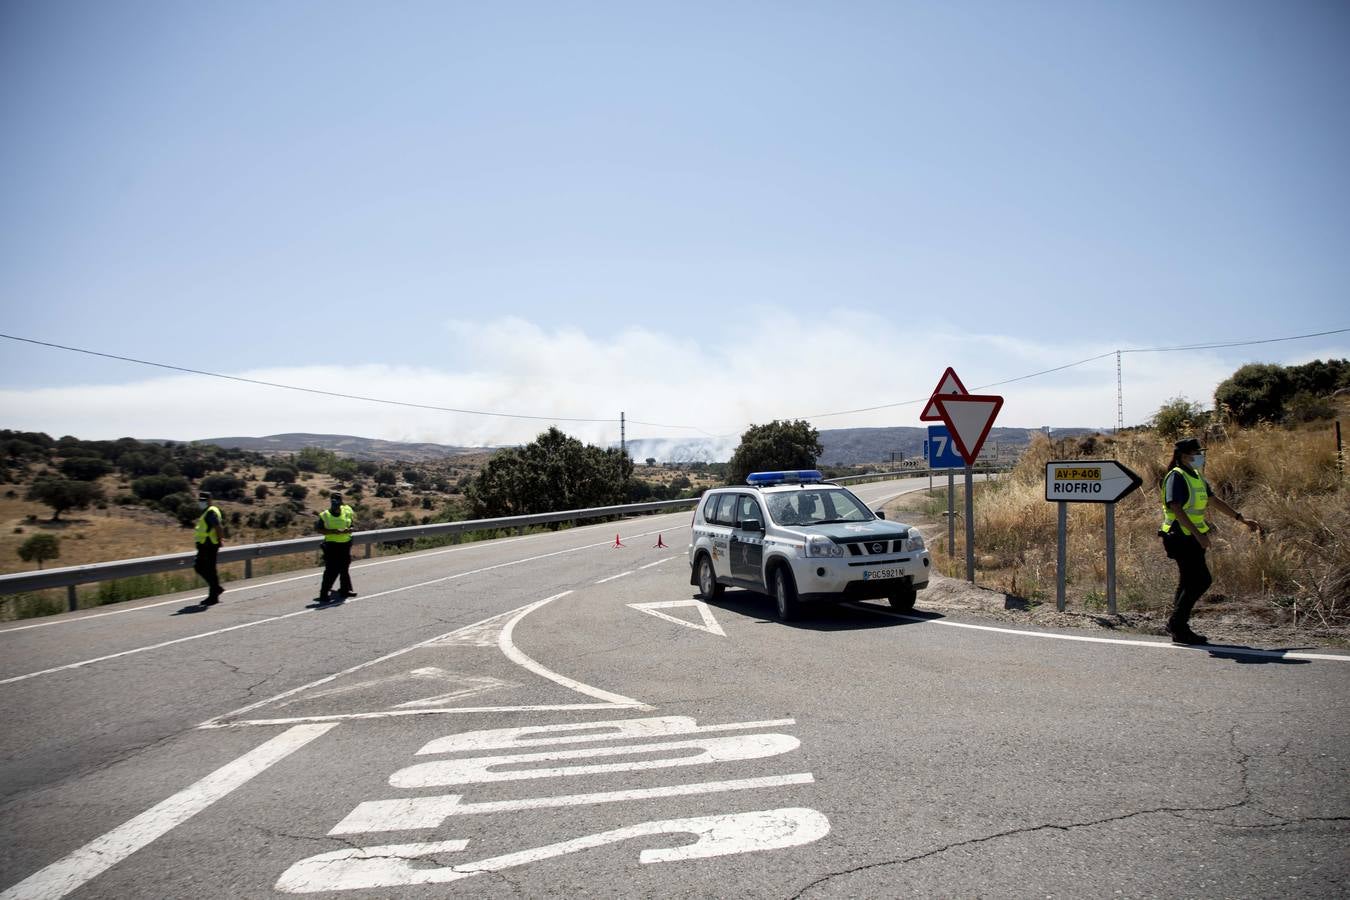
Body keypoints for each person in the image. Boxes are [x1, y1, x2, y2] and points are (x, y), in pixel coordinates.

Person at [1159, 437, 1262, 644]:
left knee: (1188, 581)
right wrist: (1199, 535)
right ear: (1183, 455)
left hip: (1189, 537)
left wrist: (1240, 518)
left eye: (1200, 452)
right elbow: (1176, 508)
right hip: (1180, 536)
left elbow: (1214, 501)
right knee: (1201, 580)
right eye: (1196, 453)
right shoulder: (1176, 476)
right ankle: (1177, 625)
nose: (1199, 456)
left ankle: (1177, 626)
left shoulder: (1195, 476)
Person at [315, 492, 357, 603]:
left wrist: (349, 530)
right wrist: (333, 531)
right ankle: (323, 594)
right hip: (331, 546)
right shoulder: (325, 515)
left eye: (338, 502)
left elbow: (352, 524)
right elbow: (319, 529)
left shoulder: (346, 511)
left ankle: (345, 590)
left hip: (345, 544)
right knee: (331, 570)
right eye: (334, 503)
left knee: (344, 569)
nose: (336, 506)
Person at [194, 491, 226, 606]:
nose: (201, 502)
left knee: (199, 567)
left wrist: (221, 539)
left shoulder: (210, 512)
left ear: (209, 500)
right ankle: (214, 595)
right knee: (210, 570)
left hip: (208, 545)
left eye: (203, 500)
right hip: (208, 544)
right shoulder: (209, 511)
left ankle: (215, 589)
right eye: (200, 500)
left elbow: (218, 526)